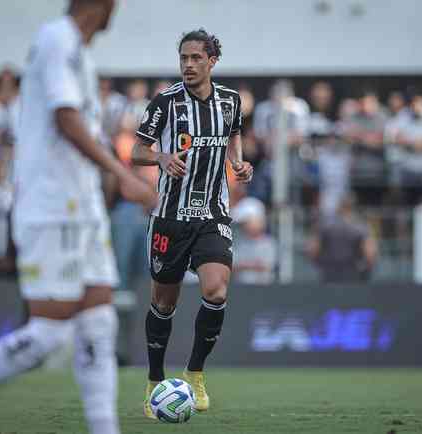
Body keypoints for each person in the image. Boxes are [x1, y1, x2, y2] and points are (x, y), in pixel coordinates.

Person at [0, 2, 156, 434]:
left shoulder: (82, 55)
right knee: (51, 332)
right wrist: (122, 175)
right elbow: (65, 118)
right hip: (51, 209)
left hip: (84, 209)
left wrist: (108, 182)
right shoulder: (56, 38)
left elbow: (79, 124)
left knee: (99, 324)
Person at [131, 28, 253, 417]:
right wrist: (162, 158)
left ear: (212, 61)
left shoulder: (231, 102)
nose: (187, 64)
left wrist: (237, 163)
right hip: (170, 218)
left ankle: (195, 373)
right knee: (163, 303)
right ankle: (153, 382)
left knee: (216, 292)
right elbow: (137, 151)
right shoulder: (165, 102)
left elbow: (234, 137)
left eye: (196, 58)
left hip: (212, 214)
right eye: (183, 57)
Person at [308, 194, 378, 283]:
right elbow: (370, 255)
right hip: (353, 275)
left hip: (328, 274)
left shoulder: (325, 226)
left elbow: (312, 250)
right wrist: (364, 270)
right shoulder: (361, 228)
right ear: (353, 207)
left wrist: (320, 265)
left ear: (339, 207)